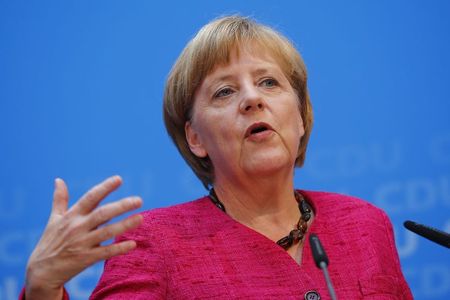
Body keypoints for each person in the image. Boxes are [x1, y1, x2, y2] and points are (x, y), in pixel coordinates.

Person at [22, 16, 413, 299]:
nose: (252, 99)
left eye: (269, 82)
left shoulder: (365, 225)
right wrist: (42, 290)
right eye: (224, 92)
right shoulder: (154, 243)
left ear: (301, 116)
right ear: (195, 138)